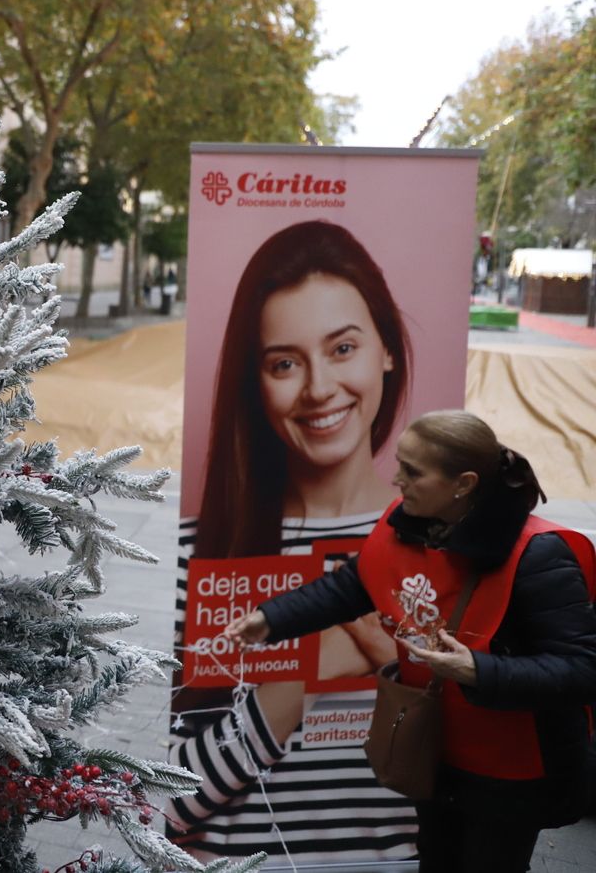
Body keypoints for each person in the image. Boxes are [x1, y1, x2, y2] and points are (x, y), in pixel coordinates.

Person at [225, 410, 596, 873]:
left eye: (413, 471)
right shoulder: (407, 524)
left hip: (512, 770)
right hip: (436, 749)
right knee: (437, 858)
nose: (397, 479)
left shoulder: (540, 554)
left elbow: (582, 669)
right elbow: (351, 586)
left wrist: (478, 671)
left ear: (463, 484)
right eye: (400, 463)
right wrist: (270, 619)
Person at [173, 219, 414, 862]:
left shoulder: (440, 547)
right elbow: (165, 799)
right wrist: (312, 671)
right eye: (285, 362)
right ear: (255, 382)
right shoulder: (204, 549)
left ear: (386, 349)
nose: (319, 388)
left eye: (343, 348)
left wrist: (406, 669)